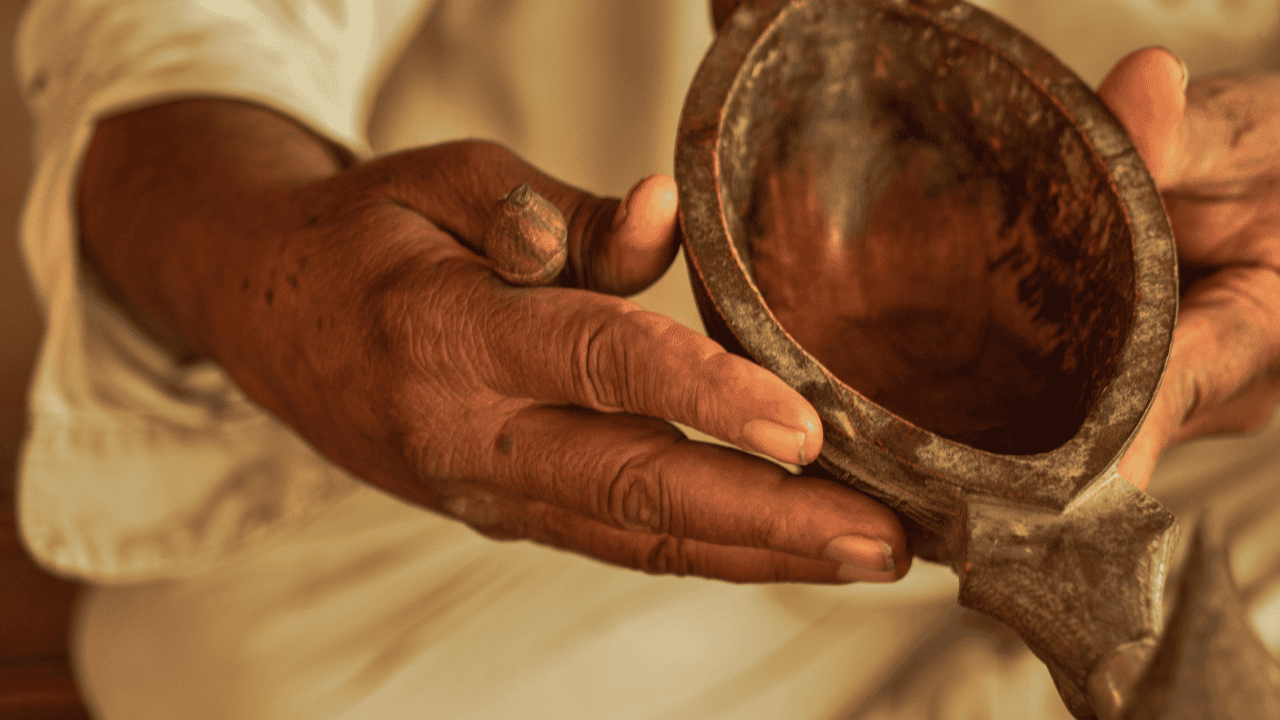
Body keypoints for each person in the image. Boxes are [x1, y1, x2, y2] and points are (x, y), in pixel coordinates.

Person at [12, 0, 1280, 717]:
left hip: (1220, 442)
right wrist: (262, 259)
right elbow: (183, 28)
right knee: (242, 676)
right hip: (520, 434)